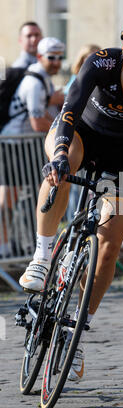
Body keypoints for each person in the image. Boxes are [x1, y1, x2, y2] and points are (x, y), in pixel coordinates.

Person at [19, 9, 123, 382]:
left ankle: (77, 330)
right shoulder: (101, 62)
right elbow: (69, 108)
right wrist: (58, 154)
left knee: (110, 244)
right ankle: (42, 257)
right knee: (66, 166)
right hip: (77, 135)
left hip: (121, 152)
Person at [0, 37, 65, 257]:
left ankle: (26, 245)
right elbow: (38, 123)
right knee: (10, 197)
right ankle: (4, 247)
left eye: (59, 57)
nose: (56, 62)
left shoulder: (44, 77)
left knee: (35, 195)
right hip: (14, 144)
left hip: (25, 143)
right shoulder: (35, 82)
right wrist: (64, 134)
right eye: (51, 57)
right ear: (39, 57)